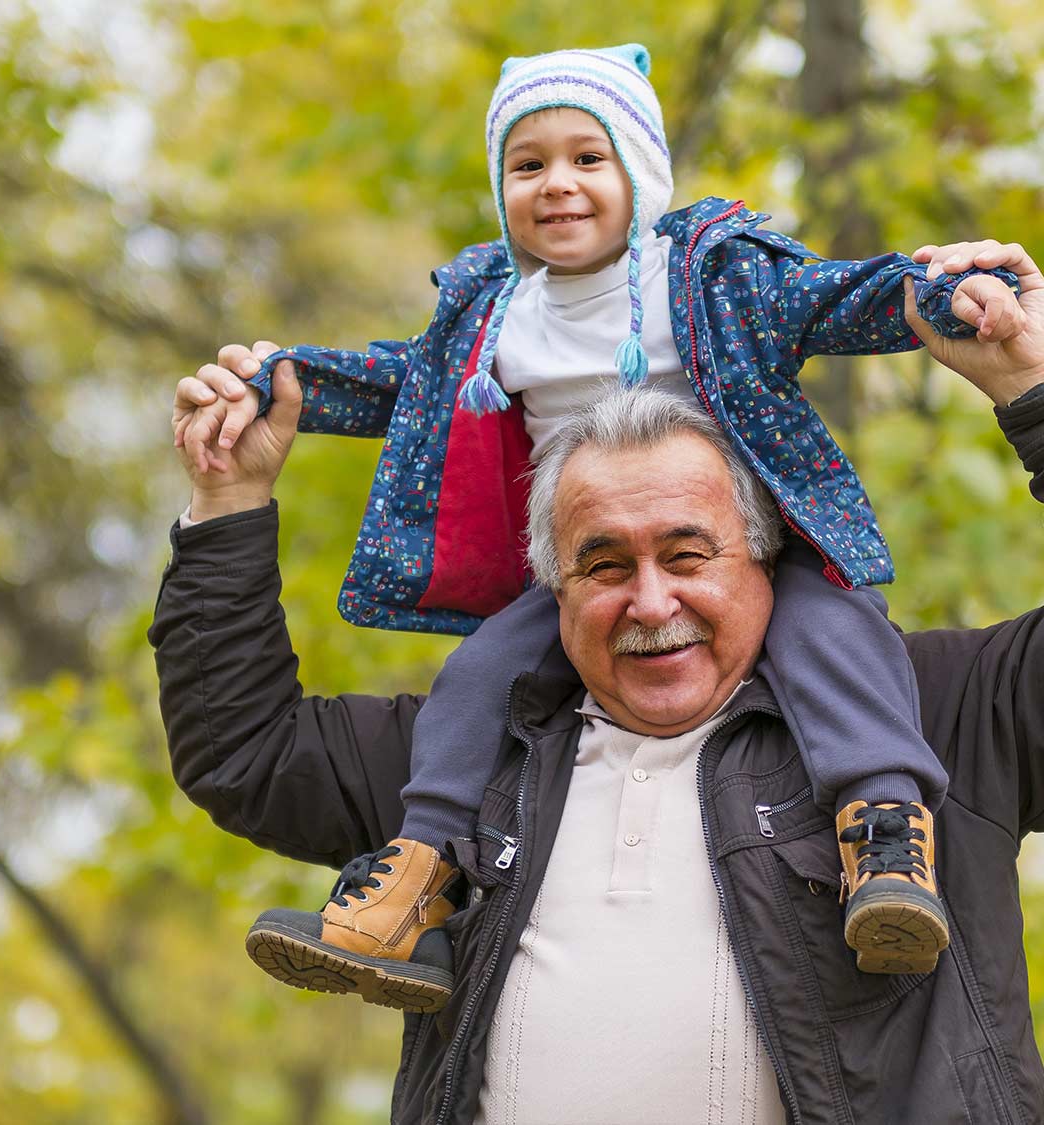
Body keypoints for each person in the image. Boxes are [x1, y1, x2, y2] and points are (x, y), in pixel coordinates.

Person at [170, 42, 1025, 1009]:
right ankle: (421, 872)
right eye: (528, 165)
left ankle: (883, 835)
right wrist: (267, 387)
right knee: (480, 675)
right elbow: (395, 385)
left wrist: (942, 294)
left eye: (590, 158)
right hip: (580, 567)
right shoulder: (492, 317)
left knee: (840, 636)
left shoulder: (707, 277)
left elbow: (829, 299)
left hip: (749, 545)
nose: (558, 186)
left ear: (641, 174)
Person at [150, 249, 1044, 1121]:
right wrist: (228, 499)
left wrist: (1030, 386)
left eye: (689, 554)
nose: (651, 601)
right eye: (604, 564)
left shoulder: (930, 714)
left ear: (768, 554)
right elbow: (245, 753)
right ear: (554, 587)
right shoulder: (471, 758)